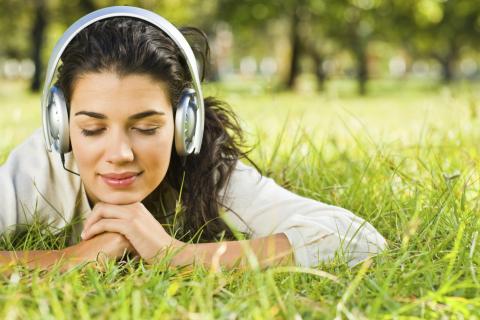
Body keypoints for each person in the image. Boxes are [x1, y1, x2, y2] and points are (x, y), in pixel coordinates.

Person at [0, 6, 386, 271]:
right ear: (60, 126)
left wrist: (177, 254)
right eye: (92, 129)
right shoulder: (36, 170)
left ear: (184, 124)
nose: (119, 153)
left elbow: (359, 241)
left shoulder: (206, 171)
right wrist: (78, 258)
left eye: (147, 128)